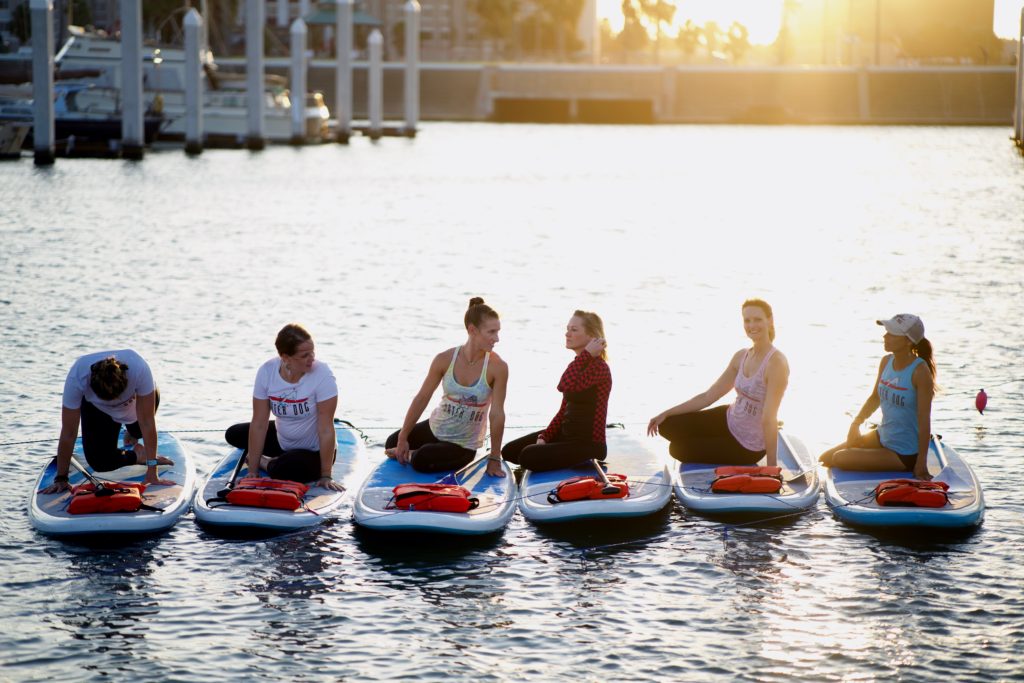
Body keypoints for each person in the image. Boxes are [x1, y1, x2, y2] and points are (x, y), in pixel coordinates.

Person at [647, 299, 789, 467]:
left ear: (770, 320)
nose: (752, 325)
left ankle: (715, 444)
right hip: (729, 419)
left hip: (748, 445)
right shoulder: (741, 356)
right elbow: (708, 396)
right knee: (667, 424)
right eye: (747, 320)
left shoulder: (776, 363)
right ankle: (709, 439)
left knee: (677, 449)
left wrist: (771, 467)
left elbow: (769, 418)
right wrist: (666, 413)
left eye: (757, 319)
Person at [385, 297, 509, 478]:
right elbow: (422, 398)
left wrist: (494, 458)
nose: (496, 338)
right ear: (472, 330)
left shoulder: (497, 367)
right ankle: (414, 451)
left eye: (497, 331)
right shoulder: (444, 359)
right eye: (491, 332)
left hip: (463, 445)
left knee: (422, 459)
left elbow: (497, 414)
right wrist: (403, 438)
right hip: (436, 427)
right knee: (392, 442)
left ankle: (415, 454)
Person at [225, 324, 344, 491]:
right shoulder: (267, 371)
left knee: (286, 469)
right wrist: (252, 472)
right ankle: (263, 459)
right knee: (234, 434)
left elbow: (326, 428)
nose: (312, 359)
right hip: (283, 440)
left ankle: (266, 462)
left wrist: (326, 474)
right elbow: (259, 423)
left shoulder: (322, 374)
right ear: (285, 357)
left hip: (313, 451)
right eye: (304, 355)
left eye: (312, 352)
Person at [818, 314, 935, 481]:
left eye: (891, 333)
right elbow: (875, 398)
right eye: (886, 331)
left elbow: (924, 421)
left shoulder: (920, 372)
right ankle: (872, 454)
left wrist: (921, 463)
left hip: (904, 452)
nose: (885, 336)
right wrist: (856, 423)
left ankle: (888, 459)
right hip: (883, 436)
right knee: (826, 457)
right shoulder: (886, 361)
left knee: (840, 458)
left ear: (908, 341)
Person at [41, 349, 173, 494]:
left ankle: (132, 433)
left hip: (135, 404)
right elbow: (69, 432)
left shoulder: (138, 368)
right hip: (100, 411)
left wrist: (152, 471)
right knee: (100, 463)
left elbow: (148, 422)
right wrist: (61, 478)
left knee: (139, 430)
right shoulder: (77, 378)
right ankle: (138, 455)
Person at [501, 310, 611, 472]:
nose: (567, 334)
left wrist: (586, 354)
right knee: (510, 451)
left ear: (591, 336)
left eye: (574, 330)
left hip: (588, 445)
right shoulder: (578, 364)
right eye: (567, 329)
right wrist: (545, 437)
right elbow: (563, 410)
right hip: (565, 436)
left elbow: (565, 384)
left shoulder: (600, 368)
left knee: (527, 456)